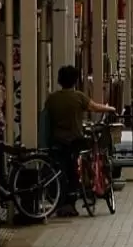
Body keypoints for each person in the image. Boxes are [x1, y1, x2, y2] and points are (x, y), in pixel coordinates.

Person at [43, 65, 110, 213]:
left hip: (56, 140)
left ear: (60, 80)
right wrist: (110, 109)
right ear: (75, 80)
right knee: (75, 169)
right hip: (74, 140)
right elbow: (94, 107)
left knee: (60, 170)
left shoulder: (52, 99)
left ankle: (59, 201)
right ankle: (73, 200)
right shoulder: (78, 97)